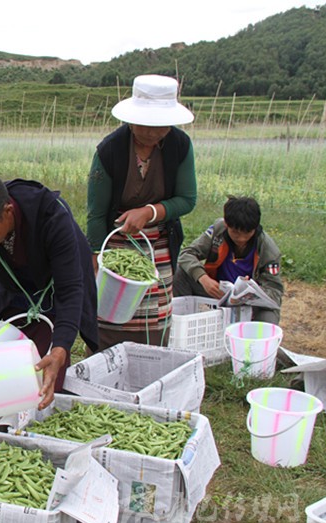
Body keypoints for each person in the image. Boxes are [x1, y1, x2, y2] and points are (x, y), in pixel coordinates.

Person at [0, 173, 98, 409]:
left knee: (44, 379)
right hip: (13, 285)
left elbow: (70, 290)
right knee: (6, 376)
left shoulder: (51, 216)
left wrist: (60, 349)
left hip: (56, 283)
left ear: (8, 212)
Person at [87, 74, 197, 351]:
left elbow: (187, 199)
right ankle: (104, 363)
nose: (151, 133)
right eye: (145, 125)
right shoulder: (110, 151)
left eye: (159, 127)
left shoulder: (180, 146)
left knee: (154, 317)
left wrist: (149, 212)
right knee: (110, 314)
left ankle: (150, 364)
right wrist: (96, 255)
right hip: (116, 242)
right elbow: (97, 213)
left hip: (157, 243)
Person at [174, 196, 283, 324]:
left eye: (247, 232)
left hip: (248, 302)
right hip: (217, 291)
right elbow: (187, 254)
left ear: (255, 227)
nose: (241, 238)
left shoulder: (269, 250)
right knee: (180, 272)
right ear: (226, 224)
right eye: (235, 232)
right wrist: (203, 279)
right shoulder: (218, 230)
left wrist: (250, 292)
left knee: (269, 317)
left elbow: (275, 292)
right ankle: (187, 321)